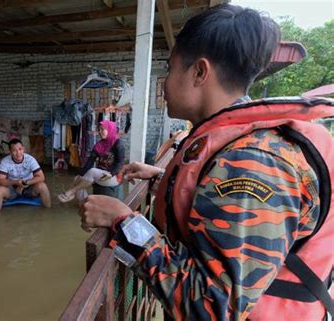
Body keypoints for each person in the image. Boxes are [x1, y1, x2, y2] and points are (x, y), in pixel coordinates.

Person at [78, 4, 334, 321]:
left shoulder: (252, 163)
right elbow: (218, 203)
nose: (164, 83)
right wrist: (161, 178)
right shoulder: (234, 144)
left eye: (170, 69)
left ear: (200, 72)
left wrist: (125, 223)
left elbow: (212, 308)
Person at [58, 120, 124, 203]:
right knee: (77, 179)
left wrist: (111, 173)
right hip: (101, 175)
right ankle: (84, 203)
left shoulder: (118, 144)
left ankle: (71, 192)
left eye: (102, 129)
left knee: (92, 171)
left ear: (110, 129)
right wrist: (80, 174)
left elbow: (120, 163)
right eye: (99, 129)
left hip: (113, 177)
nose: (100, 132)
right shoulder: (99, 145)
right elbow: (90, 162)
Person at [0, 139, 51, 213]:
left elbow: (41, 177)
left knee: (43, 186)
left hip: (29, 187)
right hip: (12, 189)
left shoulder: (30, 159)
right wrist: (15, 182)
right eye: (14, 150)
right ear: (10, 152)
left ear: (23, 149)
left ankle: (49, 211)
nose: (18, 153)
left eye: (20, 149)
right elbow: (0, 180)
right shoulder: (5, 161)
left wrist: (26, 183)